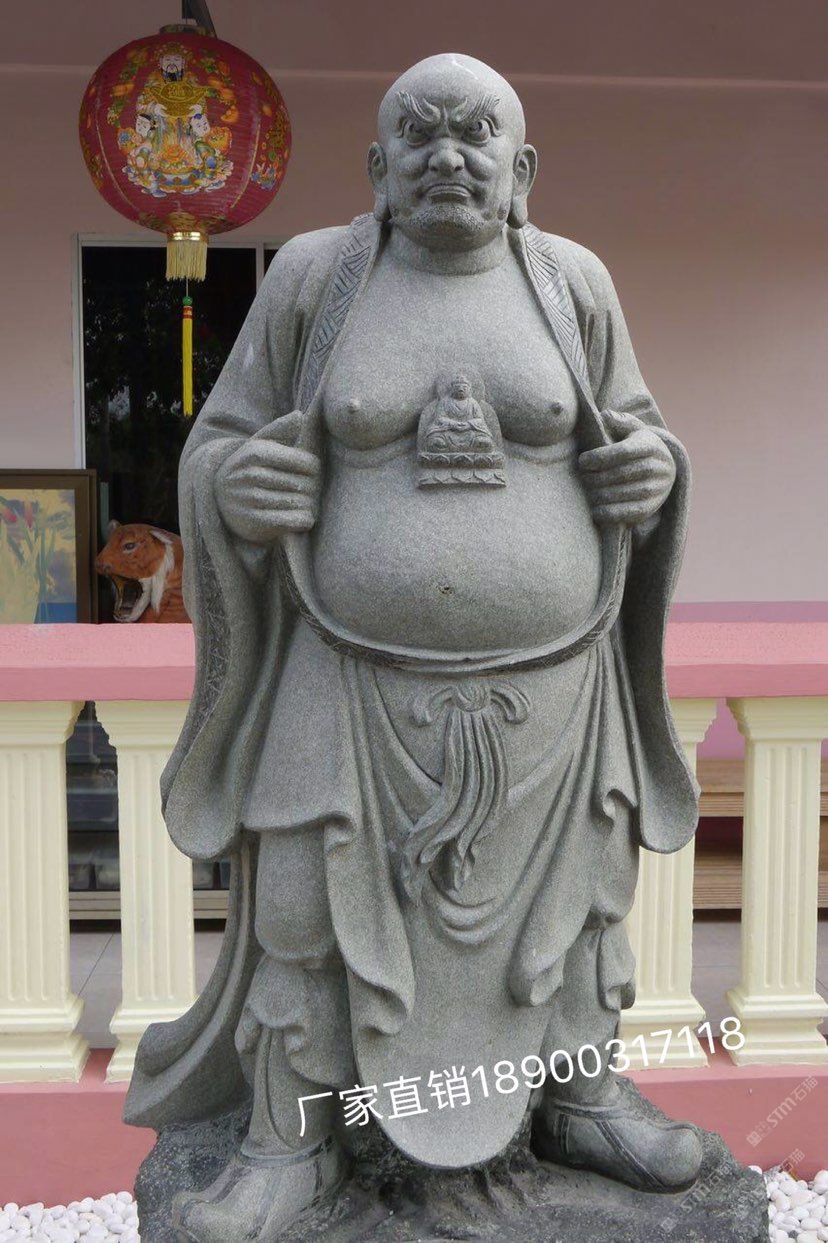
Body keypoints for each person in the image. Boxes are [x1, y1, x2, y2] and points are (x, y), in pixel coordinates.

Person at [125, 53, 701, 1243]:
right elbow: (220, 441)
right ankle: (288, 1143)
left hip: (557, 687)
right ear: (378, 166)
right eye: (420, 134)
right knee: (300, 906)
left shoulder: (571, 283)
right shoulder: (314, 280)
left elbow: (641, 432)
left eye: (476, 133)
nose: (449, 154)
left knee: (580, 905)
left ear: (521, 167)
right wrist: (238, 485)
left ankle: (583, 1097)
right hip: (345, 677)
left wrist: (653, 473)